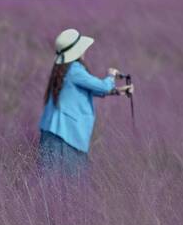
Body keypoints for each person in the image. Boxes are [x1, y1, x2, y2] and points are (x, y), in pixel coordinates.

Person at [38, 29, 134, 174]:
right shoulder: (75, 70)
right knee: (70, 183)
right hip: (65, 135)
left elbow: (88, 89)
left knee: (49, 181)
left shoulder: (63, 68)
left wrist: (118, 91)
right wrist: (111, 76)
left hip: (53, 131)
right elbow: (102, 86)